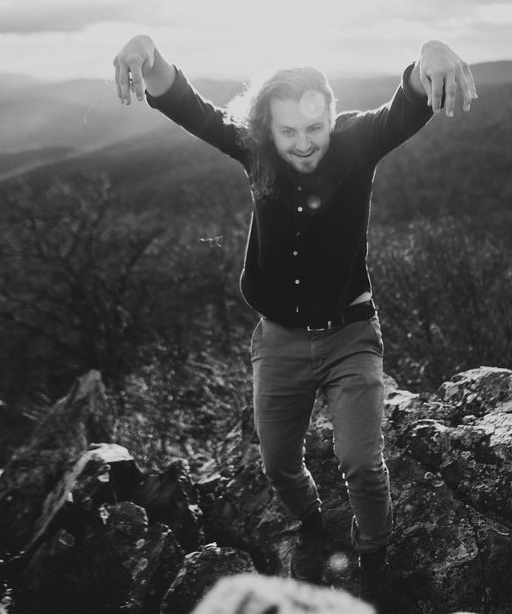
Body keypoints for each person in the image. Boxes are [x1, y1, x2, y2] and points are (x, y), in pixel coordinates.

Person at [112, 35, 476, 602]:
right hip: (278, 340)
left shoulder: (357, 143)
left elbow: (406, 107)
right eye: (288, 133)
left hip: (351, 334)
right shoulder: (255, 149)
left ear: (332, 117)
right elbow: (188, 106)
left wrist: (428, 54)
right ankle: (310, 524)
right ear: (268, 130)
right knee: (279, 462)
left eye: (314, 129)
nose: (303, 145)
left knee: (361, 462)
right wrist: (149, 57)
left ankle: (374, 553)